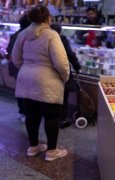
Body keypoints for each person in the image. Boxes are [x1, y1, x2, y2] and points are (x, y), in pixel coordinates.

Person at [12, 5, 70, 161]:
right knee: (51, 117)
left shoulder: (22, 34)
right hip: (47, 82)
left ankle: (33, 146)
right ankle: (51, 151)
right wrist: (65, 76)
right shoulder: (51, 35)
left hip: (25, 80)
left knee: (31, 115)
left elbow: (15, 58)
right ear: (47, 18)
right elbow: (61, 62)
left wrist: (27, 68)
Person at [50, 23, 81, 129]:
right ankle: (61, 120)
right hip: (61, 72)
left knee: (51, 97)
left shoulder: (45, 39)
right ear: (60, 31)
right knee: (63, 97)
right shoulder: (62, 39)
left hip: (49, 73)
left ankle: (51, 118)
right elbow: (70, 55)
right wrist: (77, 66)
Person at [6, 14, 31, 122]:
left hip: (17, 68)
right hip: (24, 67)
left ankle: (23, 112)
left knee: (21, 90)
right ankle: (25, 112)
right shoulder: (27, 36)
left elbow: (9, 52)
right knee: (25, 91)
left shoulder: (15, 35)